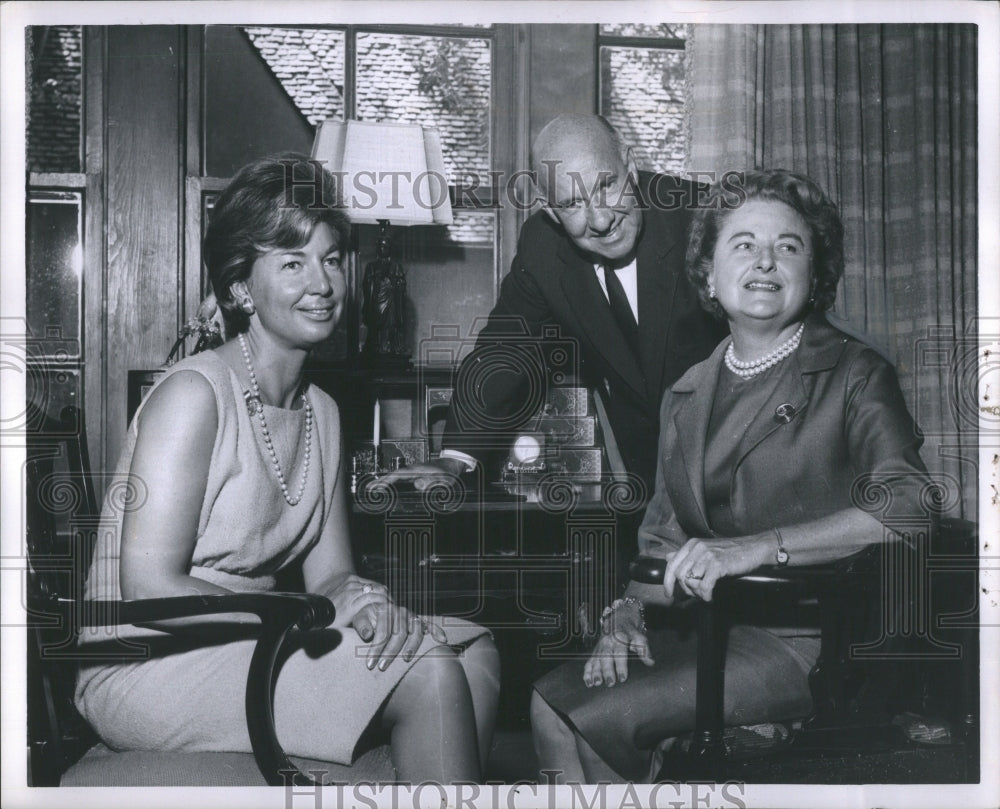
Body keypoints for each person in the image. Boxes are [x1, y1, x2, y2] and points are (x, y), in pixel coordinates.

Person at [74, 155, 499, 784]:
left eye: (330, 259)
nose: (322, 283)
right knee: (429, 671)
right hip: (149, 658)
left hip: (257, 636)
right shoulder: (193, 396)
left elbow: (332, 576)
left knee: (471, 651)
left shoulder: (321, 411)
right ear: (242, 287)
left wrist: (365, 603)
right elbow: (148, 587)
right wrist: (311, 610)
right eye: (293, 262)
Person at [530, 169, 934, 782]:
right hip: (699, 628)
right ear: (711, 276)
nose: (765, 261)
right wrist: (627, 614)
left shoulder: (855, 374)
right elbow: (661, 543)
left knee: (598, 717)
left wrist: (757, 549)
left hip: (808, 641)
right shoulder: (685, 393)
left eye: (788, 246)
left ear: (814, 274)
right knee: (549, 704)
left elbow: (910, 507)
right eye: (743, 244)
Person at [384, 114, 726, 498]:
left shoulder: (706, 216)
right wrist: (453, 457)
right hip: (651, 487)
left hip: (744, 460)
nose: (600, 220)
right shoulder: (542, 247)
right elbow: (504, 349)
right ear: (549, 209)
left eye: (607, 186)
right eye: (572, 204)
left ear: (630, 167)